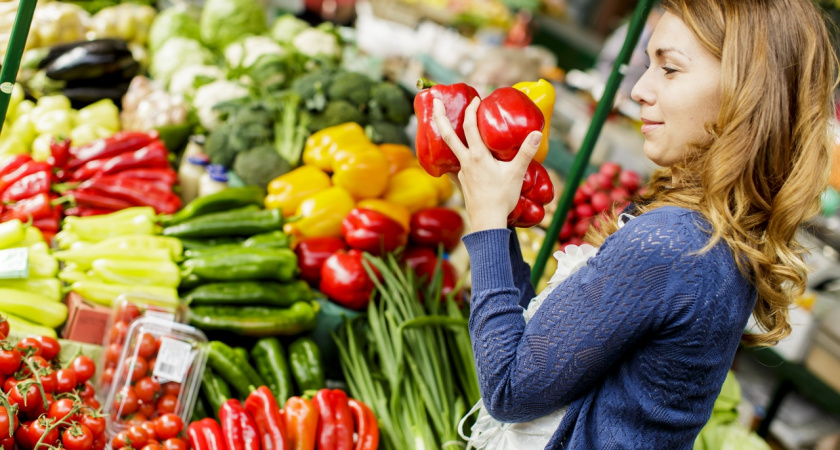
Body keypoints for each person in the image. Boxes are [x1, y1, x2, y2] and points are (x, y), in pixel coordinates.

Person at [432, 0, 839, 448]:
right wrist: (501, 219)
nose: (639, 90)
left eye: (670, 69)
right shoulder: (715, 234)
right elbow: (541, 353)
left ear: (748, 93)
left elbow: (508, 390)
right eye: (648, 64)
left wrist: (487, 224)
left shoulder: (674, 244)